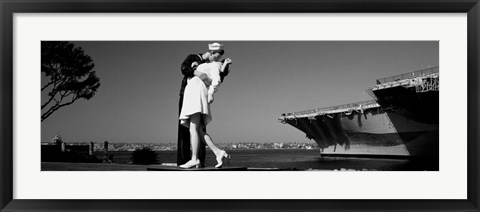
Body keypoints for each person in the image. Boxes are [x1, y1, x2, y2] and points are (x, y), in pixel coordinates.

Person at [178, 43, 232, 168]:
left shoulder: (213, 65)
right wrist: (196, 67)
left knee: (193, 128)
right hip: (193, 93)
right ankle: (218, 152)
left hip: (196, 93)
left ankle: (194, 159)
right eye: (216, 56)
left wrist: (211, 93)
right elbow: (185, 69)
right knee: (198, 129)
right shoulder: (204, 64)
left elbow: (217, 80)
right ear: (211, 52)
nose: (216, 59)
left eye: (219, 58)